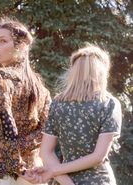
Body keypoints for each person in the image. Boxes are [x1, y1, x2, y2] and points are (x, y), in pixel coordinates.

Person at [0, 18, 74, 185]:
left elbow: (6, 122)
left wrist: (14, 162)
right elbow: (45, 132)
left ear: (20, 47)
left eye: (3, 41)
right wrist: (20, 159)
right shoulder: (42, 88)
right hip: (33, 173)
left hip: (1, 172)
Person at [29, 44, 122, 185]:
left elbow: (45, 153)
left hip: (63, 180)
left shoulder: (58, 103)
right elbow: (98, 157)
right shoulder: (109, 104)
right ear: (102, 72)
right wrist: (55, 171)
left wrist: (62, 178)